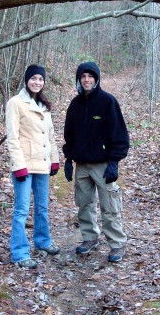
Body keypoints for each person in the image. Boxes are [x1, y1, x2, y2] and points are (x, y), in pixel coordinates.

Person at [63, 61, 130, 263]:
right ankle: (90, 237)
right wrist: (68, 158)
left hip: (103, 165)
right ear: (79, 79)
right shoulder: (75, 105)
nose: (86, 80)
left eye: (90, 76)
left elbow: (119, 134)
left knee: (109, 205)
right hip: (82, 165)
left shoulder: (107, 102)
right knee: (84, 204)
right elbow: (69, 134)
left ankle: (117, 243)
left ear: (97, 79)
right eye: (83, 76)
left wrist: (114, 162)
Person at [5, 64, 61, 269]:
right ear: (27, 80)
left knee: (42, 208)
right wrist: (19, 165)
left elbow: (51, 136)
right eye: (34, 78)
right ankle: (20, 253)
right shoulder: (16, 103)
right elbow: (13, 138)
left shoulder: (44, 106)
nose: (37, 82)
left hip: (42, 165)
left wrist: (54, 159)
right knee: (21, 210)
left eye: (40, 79)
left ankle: (43, 242)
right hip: (25, 165)